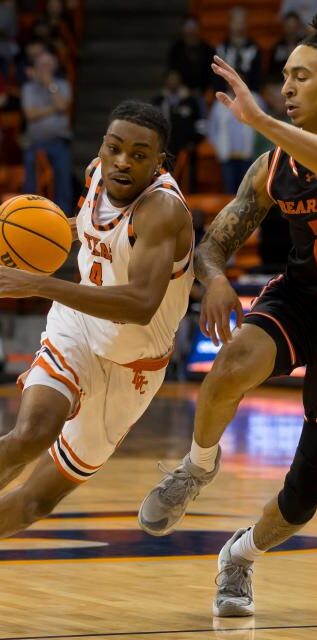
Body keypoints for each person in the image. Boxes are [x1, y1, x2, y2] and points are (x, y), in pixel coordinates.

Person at [139, 14, 317, 617]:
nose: (286, 88)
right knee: (234, 360)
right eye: (283, 77)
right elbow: (214, 242)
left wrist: (260, 123)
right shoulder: (271, 169)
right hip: (302, 300)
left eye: (301, 76)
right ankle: (195, 468)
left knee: (303, 497)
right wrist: (211, 281)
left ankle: (239, 556)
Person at [0, 100, 194, 537]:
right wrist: (35, 237)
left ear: (159, 162)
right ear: (102, 147)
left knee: (36, 501)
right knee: (31, 433)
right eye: (114, 148)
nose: (122, 162)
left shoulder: (161, 211)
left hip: (133, 367)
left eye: (139, 155)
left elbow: (141, 303)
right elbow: (88, 226)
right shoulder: (95, 175)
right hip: (79, 326)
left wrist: (36, 283)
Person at [21, 51, 73, 214]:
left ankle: (63, 215)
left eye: (49, 64)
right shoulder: (28, 88)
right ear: (35, 67)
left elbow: (63, 106)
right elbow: (30, 114)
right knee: (30, 179)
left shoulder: (63, 85)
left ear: (55, 67)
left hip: (59, 141)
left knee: (63, 180)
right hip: (34, 143)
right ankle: (29, 212)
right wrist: (53, 109)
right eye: (42, 65)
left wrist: (50, 84)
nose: (46, 68)